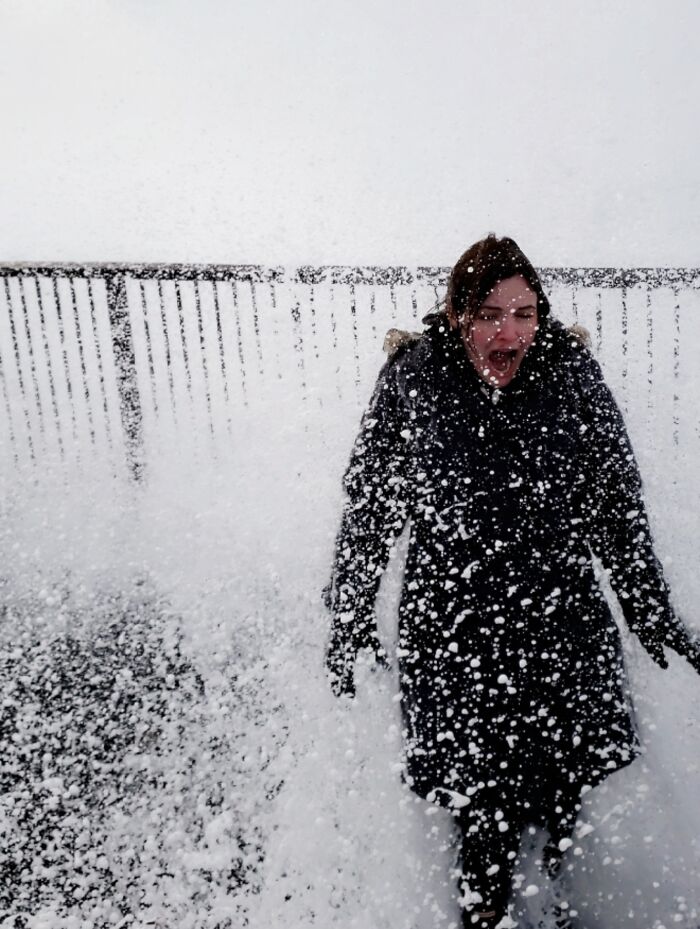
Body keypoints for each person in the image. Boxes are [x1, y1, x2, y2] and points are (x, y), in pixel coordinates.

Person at [324, 234, 700, 928]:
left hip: (559, 626)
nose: (510, 332)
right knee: (483, 816)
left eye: (525, 314)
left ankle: (553, 904)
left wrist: (647, 605)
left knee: (560, 805)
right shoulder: (414, 376)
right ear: (457, 315)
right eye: (491, 314)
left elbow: (614, 502)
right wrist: (349, 611)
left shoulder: (572, 373)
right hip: (455, 636)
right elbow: (371, 506)